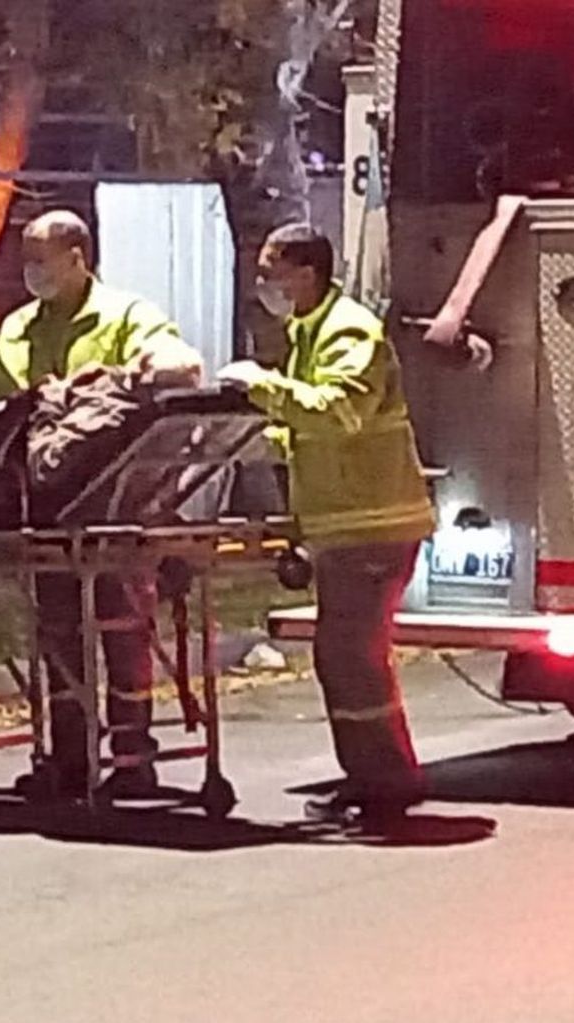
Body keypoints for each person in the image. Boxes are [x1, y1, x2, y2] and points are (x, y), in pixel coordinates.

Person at [0, 209, 204, 799]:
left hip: (117, 509)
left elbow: (180, 364)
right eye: (25, 262)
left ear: (77, 258)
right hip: (47, 512)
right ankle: (71, 759)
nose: (30, 274)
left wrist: (141, 372)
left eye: (39, 261)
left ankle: (131, 759)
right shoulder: (20, 328)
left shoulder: (126, 316)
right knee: (57, 636)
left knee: (124, 631)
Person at [221, 223, 435, 826]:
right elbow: (314, 424)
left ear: (305, 273)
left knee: (351, 656)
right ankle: (369, 777)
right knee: (343, 655)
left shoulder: (348, 331)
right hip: (347, 528)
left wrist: (264, 387)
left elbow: (338, 410)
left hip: (375, 525)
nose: (264, 283)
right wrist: (265, 439)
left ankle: (386, 782)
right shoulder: (308, 332)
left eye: (272, 271)